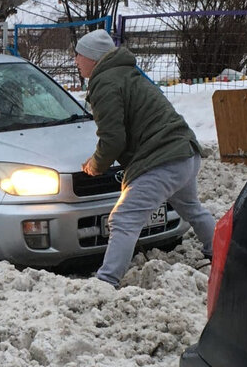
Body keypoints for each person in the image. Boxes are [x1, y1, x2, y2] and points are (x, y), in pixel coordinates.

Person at [74, 28, 216, 286]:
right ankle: (218, 252)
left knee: (123, 218)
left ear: (93, 58)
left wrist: (96, 164)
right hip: (184, 151)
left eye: (79, 55)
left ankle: (106, 282)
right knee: (192, 208)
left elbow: (113, 139)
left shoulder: (105, 82)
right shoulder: (126, 74)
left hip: (162, 158)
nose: (75, 60)